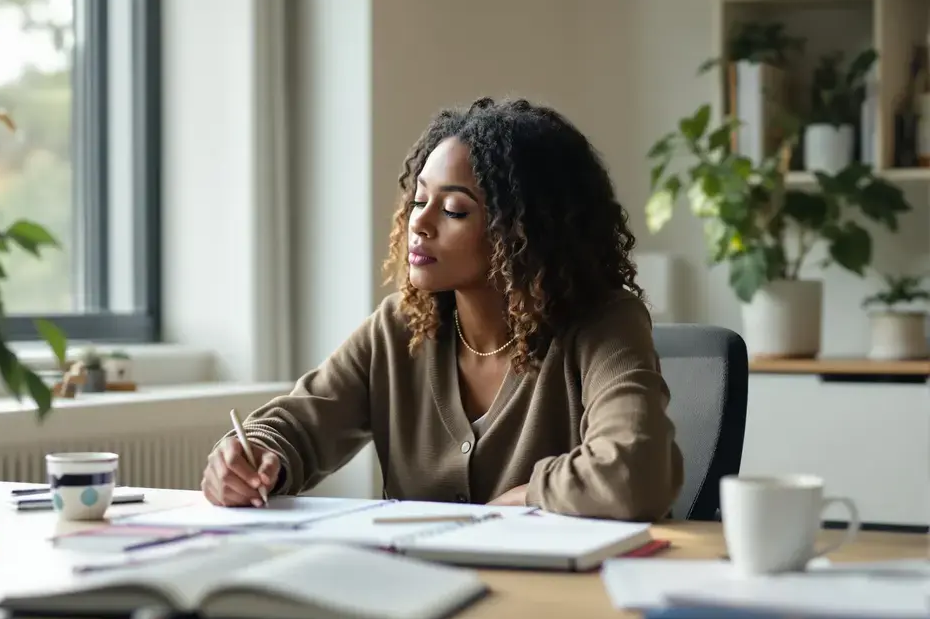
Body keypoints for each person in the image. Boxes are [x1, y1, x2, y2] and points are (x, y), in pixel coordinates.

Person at [201, 97, 684, 522]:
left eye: (454, 210)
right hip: (420, 587)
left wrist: (529, 495)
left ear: (525, 231)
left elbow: (635, 469)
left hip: (561, 590)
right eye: (418, 200)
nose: (420, 223)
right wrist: (252, 455)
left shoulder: (604, 323)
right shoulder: (400, 328)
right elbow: (301, 423)